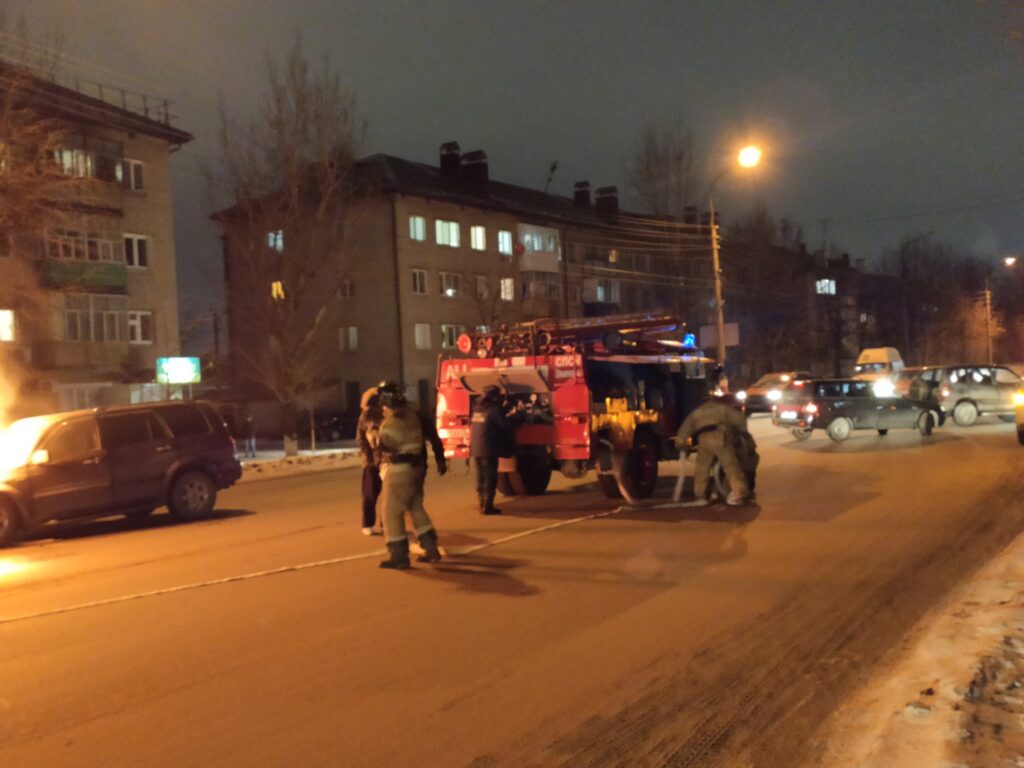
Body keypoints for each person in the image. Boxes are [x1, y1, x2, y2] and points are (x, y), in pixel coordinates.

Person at [375, 382, 443, 569]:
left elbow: (382, 443)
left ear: (388, 406)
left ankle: (398, 555)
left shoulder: (391, 424)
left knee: (391, 512)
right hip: (416, 469)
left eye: (384, 408)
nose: (383, 411)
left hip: (398, 472)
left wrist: (374, 433)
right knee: (416, 508)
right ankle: (431, 548)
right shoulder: (413, 417)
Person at [675, 394, 750, 506]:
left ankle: (700, 495)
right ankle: (738, 493)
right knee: (730, 466)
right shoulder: (722, 408)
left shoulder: (696, 412)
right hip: (720, 437)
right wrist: (742, 431)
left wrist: (681, 444)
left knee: (702, 468)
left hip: (704, 440)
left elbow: (684, 430)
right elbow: (740, 419)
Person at [469, 385, 512, 515]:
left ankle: (482, 503)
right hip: (489, 449)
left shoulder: (477, 409)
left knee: (480, 477)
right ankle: (488, 506)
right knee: (490, 477)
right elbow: (505, 425)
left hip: (476, 449)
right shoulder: (494, 410)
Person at [356, 387, 384, 536]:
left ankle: (385, 524)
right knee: (370, 494)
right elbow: (362, 437)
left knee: (387, 495)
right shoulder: (368, 415)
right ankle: (368, 523)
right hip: (374, 462)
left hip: (383, 461)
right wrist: (369, 458)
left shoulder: (386, 413)